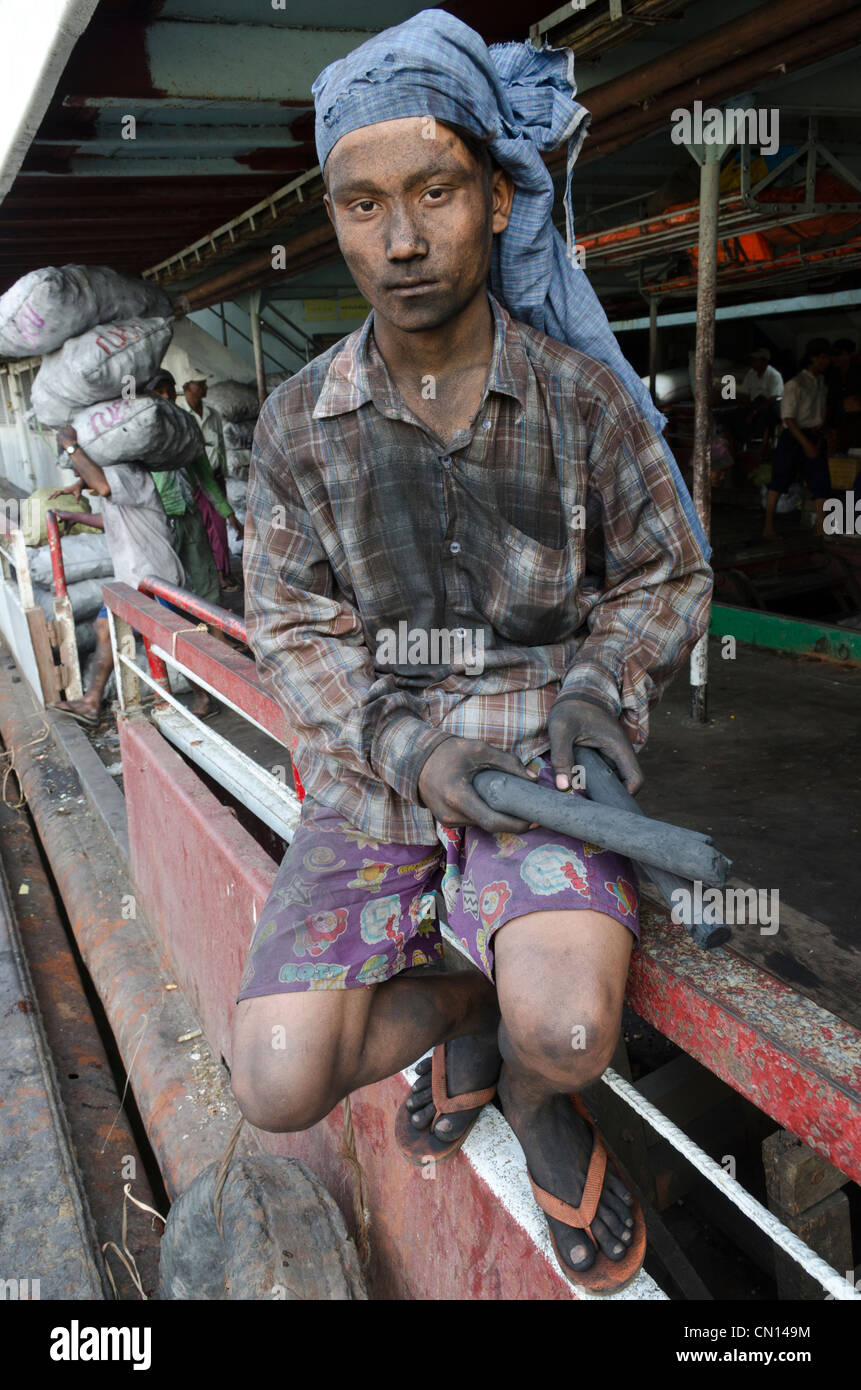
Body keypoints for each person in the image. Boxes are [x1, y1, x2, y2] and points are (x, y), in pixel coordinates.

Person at [230, 10, 712, 1293]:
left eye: (436, 191)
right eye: (362, 204)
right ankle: (466, 1014)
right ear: (331, 216)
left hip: (538, 757)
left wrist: (607, 684)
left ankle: (538, 1085)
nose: (400, 240)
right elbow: (288, 623)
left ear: (499, 199)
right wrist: (402, 740)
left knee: (570, 1025)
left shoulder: (578, 396)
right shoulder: (298, 425)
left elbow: (670, 570)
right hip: (379, 768)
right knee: (277, 1080)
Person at [44, 426, 220, 724]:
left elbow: (101, 486)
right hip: (130, 580)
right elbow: (110, 516)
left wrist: (71, 446)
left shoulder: (128, 474)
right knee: (104, 629)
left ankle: (205, 696)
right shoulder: (113, 478)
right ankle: (91, 702)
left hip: (156, 578)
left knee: (171, 642)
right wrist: (74, 514)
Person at [147, 370, 224, 608]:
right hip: (160, 517)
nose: (167, 394)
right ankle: (171, 638)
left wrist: (225, 510)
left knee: (206, 578)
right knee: (166, 582)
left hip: (189, 514)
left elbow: (204, 473)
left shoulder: (186, 424)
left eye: (170, 388)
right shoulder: (140, 428)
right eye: (160, 390)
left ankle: (216, 636)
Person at [763, 338, 831, 539]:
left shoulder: (820, 382)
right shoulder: (796, 384)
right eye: (824, 357)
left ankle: (821, 527)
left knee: (820, 482)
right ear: (814, 359)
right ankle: (768, 527)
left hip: (813, 434)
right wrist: (806, 445)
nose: (827, 362)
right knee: (779, 481)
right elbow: (788, 419)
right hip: (794, 437)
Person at [179, 374, 241, 591]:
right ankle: (215, 574)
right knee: (204, 528)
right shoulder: (181, 415)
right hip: (194, 479)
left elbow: (220, 446)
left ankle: (222, 571)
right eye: (200, 383)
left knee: (218, 527)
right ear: (187, 386)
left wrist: (223, 472)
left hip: (213, 476)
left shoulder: (213, 414)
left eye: (205, 383)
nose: (205, 387)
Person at [729, 347, 783, 453]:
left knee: (764, 414)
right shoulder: (751, 373)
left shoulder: (774, 375)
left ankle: (756, 445)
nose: (752, 363)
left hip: (768, 406)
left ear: (765, 361)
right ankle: (741, 443)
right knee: (734, 415)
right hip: (754, 404)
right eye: (752, 360)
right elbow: (745, 392)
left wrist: (754, 412)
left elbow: (773, 399)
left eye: (755, 360)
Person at [825, 337, 861, 454]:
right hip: (838, 424)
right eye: (833, 355)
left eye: (838, 354)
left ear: (849, 355)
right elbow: (830, 402)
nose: (834, 358)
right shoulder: (832, 375)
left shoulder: (857, 372)